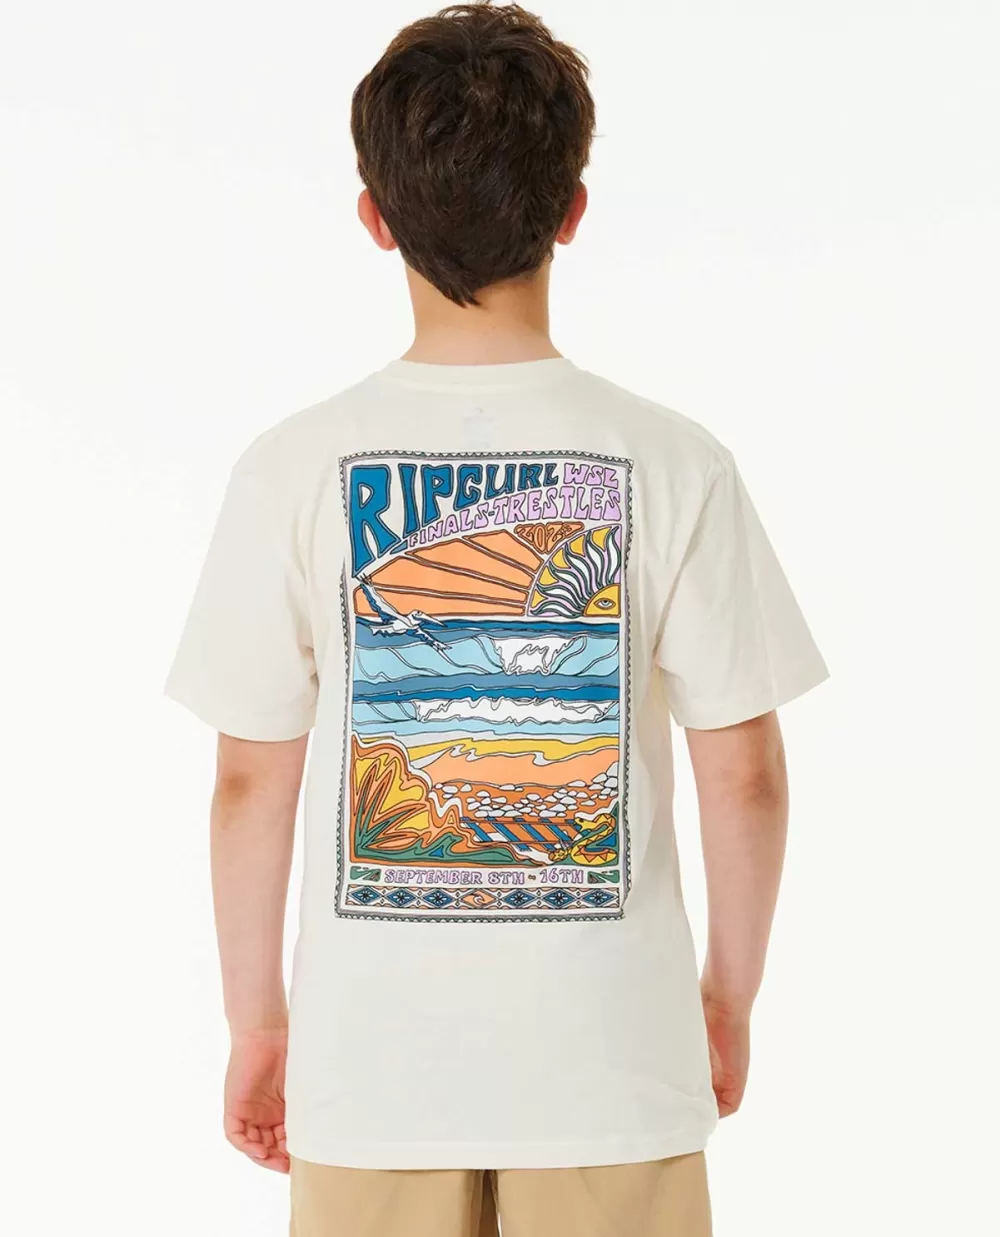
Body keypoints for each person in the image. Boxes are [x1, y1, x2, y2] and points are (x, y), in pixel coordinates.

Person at [164, 4, 828, 1234]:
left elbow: (249, 784)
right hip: (614, 1066)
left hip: (371, 1077)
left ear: (374, 218)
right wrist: (725, 999)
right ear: (572, 209)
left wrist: (258, 1023)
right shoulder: (673, 460)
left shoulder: (292, 467)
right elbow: (744, 776)